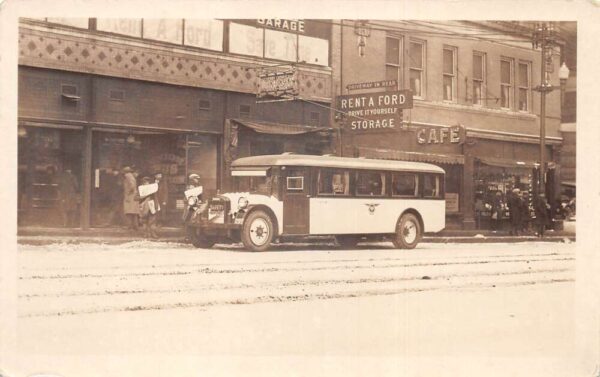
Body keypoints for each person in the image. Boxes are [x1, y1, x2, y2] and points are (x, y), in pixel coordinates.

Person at [122, 166, 139, 231]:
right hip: (133, 196)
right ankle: (135, 226)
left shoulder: (128, 176)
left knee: (129, 212)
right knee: (133, 212)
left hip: (130, 197)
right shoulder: (131, 177)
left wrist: (128, 193)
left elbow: (132, 186)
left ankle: (131, 226)